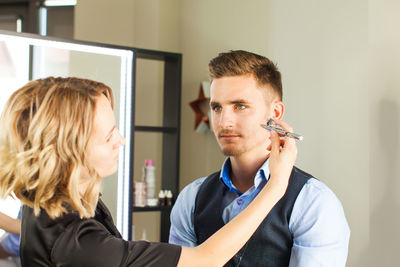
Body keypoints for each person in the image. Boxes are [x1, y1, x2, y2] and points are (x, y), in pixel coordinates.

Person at [0, 77, 297, 267]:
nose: (121, 140)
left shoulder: (45, 202)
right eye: (108, 136)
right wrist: (276, 186)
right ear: (69, 152)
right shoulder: (81, 245)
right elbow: (205, 260)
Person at [169, 50, 350, 266]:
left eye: (240, 106)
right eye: (217, 107)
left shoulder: (314, 204)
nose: (224, 122)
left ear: (276, 113)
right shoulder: (191, 199)